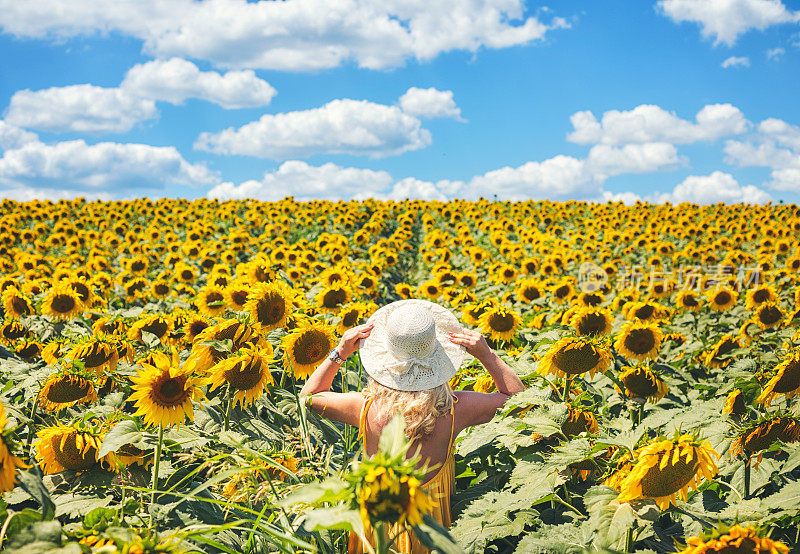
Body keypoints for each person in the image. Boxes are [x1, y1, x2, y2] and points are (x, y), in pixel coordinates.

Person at [300, 299, 526, 554]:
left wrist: (339, 352)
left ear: (384, 358)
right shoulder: (455, 409)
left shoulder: (364, 407)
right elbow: (518, 400)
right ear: (438, 355)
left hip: (378, 527)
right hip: (431, 531)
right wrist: (487, 355)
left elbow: (309, 398)